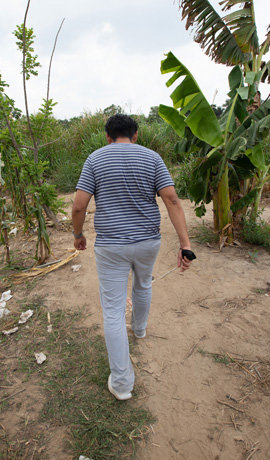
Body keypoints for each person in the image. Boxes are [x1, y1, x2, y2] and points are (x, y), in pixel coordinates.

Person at [71, 114, 195, 401]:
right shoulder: (152, 158)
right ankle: (139, 329)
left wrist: (78, 234)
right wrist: (185, 244)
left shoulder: (95, 159)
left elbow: (79, 205)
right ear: (136, 135)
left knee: (113, 310)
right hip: (148, 242)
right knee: (143, 285)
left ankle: (123, 383)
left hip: (111, 246)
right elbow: (172, 200)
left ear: (108, 136)